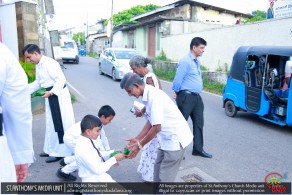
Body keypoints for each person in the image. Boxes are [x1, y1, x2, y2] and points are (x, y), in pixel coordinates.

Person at [120, 73, 193, 182]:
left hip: (175, 141)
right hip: (165, 140)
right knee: (157, 174)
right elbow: (151, 121)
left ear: (136, 86)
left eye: (129, 91)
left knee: (164, 179)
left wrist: (139, 146)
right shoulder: (148, 94)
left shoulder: (154, 96)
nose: (129, 95)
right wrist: (137, 138)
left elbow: (156, 128)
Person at [23, 44, 75, 163]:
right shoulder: (39, 64)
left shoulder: (50, 63)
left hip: (58, 96)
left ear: (36, 53)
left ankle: (60, 153)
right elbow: (38, 82)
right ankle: (50, 149)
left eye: (29, 57)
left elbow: (61, 80)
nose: (28, 60)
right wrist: (22, 90)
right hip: (50, 95)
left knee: (59, 124)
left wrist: (51, 93)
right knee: (50, 123)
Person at [172, 37, 212, 158]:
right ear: (194, 47)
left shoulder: (196, 62)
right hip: (186, 97)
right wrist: (177, 92)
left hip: (196, 98)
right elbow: (178, 79)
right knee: (181, 124)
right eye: (201, 48)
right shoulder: (185, 61)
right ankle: (177, 151)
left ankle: (198, 149)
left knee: (199, 123)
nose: (203, 50)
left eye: (203, 48)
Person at [0, 43, 34, 183]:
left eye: (29, 57)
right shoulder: (3, 54)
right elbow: (17, 108)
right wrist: (20, 155)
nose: (28, 61)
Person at [56, 105, 115, 181]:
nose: (110, 122)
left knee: (85, 157)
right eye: (109, 120)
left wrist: (108, 150)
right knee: (85, 159)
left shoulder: (95, 122)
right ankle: (64, 171)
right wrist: (110, 156)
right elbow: (98, 145)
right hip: (71, 139)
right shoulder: (94, 125)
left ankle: (66, 160)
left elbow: (103, 138)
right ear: (103, 117)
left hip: (71, 137)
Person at [129, 55, 161, 182]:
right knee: (151, 148)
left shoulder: (148, 80)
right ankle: (151, 176)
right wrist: (142, 111)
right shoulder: (152, 75)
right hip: (154, 117)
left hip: (155, 119)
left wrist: (143, 111)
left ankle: (151, 177)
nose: (133, 72)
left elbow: (153, 103)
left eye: (133, 69)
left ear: (139, 66)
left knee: (151, 149)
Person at [75, 114, 125, 184]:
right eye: (97, 131)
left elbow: (97, 154)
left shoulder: (87, 139)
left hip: (95, 177)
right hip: (93, 180)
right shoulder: (83, 148)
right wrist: (114, 159)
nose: (99, 133)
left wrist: (113, 152)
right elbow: (97, 169)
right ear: (88, 131)